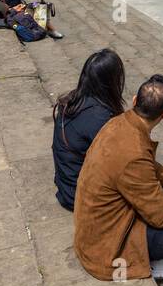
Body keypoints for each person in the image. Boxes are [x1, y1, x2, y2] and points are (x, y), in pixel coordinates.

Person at [72, 75, 163, 280]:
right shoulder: (134, 153)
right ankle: (152, 263)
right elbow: (161, 216)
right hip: (109, 241)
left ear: (135, 100)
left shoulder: (119, 122)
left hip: (113, 211)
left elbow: (150, 167)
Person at [53, 49, 126, 210]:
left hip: (66, 189)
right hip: (82, 198)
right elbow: (122, 164)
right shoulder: (100, 118)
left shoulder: (70, 101)